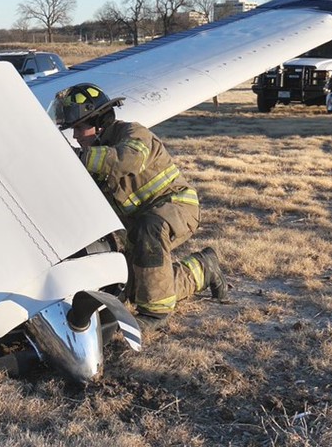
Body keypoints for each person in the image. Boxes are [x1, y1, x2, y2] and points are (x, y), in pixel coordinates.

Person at [53, 83, 227, 326]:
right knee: (140, 288)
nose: (76, 136)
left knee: (149, 231)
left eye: (79, 127)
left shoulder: (133, 134)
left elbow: (127, 161)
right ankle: (202, 268)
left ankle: (155, 315)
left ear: (99, 122)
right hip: (141, 225)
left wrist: (76, 157)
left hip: (177, 207)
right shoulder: (94, 157)